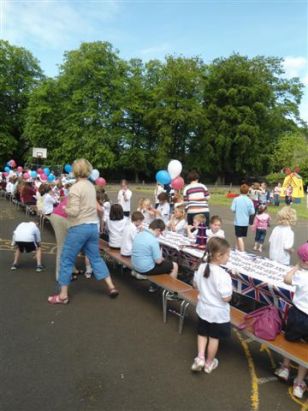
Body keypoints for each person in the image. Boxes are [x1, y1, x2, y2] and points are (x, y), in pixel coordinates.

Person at [48, 159, 119, 304]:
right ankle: (111, 287)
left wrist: (64, 208)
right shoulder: (91, 186)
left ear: (75, 171)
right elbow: (96, 208)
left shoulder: (75, 187)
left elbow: (73, 212)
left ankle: (63, 296)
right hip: (92, 227)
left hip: (79, 227)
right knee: (96, 258)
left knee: (66, 260)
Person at [191, 237, 232, 374]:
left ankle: (200, 358)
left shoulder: (201, 267)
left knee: (202, 334)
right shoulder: (223, 275)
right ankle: (209, 363)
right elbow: (226, 298)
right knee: (214, 338)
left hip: (203, 308)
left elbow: (195, 285)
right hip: (217, 313)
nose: (228, 257)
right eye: (228, 255)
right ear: (219, 256)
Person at [274, 242, 308, 399]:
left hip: (297, 314)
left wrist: (295, 267)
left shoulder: (301, 275)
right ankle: (299, 382)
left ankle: (285, 368)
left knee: (290, 340)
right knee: (306, 350)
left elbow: (287, 279)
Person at [131, 219, 178, 290]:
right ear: (158, 230)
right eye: (161, 232)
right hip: (144, 269)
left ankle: (155, 285)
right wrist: (161, 256)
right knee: (174, 265)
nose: (160, 234)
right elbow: (158, 261)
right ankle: (171, 291)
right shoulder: (153, 240)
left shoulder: (140, 233)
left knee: (164, 264)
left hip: (134, 264)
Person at [230, 184, 255, 252]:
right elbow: (252, 212)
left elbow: (232, 209)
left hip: (238, 221)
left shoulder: (236, 199)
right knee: (239, 236)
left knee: (239, 237)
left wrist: (237, 211)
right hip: (245, 222)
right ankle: (236, 248)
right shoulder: (250, 200)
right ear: (247, 192)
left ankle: (242, 252)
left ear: (240, 191)